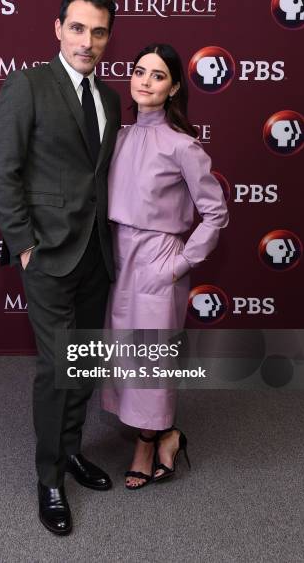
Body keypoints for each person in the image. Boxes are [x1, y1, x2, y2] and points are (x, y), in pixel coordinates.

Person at [0, 0, 121, 535]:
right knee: (56, 368)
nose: (87, 41)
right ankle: (48, 479)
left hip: (96, 254)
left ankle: (70, 451)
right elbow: (2, 172)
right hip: (45, 255)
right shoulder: (27, 85)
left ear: (109, 37)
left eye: (99, 31)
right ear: (58, 28)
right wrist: (23, 246)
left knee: (84, 364)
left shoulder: (111, 99)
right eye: (78, 28)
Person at [101, 43, 229, 489]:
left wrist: (178, 264)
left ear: (174, 86)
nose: (145, 81)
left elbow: (215, 212)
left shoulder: (183, 146)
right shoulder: (115, 136)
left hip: (158, 258)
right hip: (117, 258)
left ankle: (147, 444)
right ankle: (167, 432)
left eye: (157, 75)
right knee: (124, 355)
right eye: (139, 72)